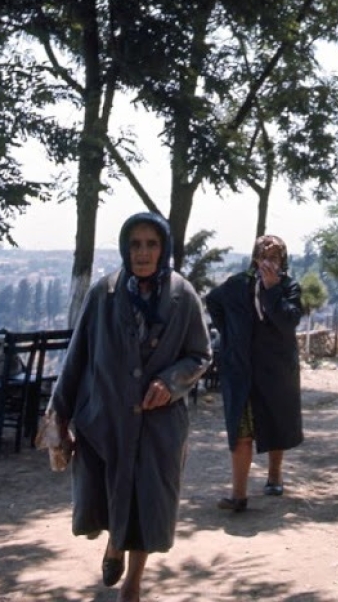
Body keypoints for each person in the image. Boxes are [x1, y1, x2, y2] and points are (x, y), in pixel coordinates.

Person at [47, 211, 212, 602]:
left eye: (151, 244)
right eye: (135, 244)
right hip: (104, 421)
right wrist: (59, 416)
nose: (142, 253)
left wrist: (170, 383)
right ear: (125, 247)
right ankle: (112, 545)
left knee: (147, 503)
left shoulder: (182, 295)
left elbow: (200, 355)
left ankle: (132, 585)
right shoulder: (103, 294)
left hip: (159, 426)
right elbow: (77, 358)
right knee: (107, 497)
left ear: (163, 248)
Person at [205, 234, 304, 512]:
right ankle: (238, 495)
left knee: (275, 423)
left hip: (276, 371)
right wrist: (229, 336)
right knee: (242, 429)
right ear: (255, 258)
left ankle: (274, 476)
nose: (268, 262)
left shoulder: (288, 287)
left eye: (274, 257)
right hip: (241, 370)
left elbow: (289, 321)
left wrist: (272, 290)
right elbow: (213, 302)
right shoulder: (237, 286)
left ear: (282, 261)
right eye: (264, 256)